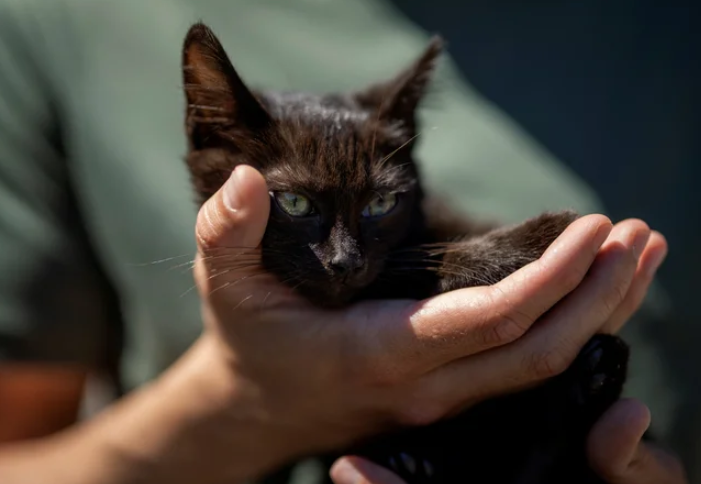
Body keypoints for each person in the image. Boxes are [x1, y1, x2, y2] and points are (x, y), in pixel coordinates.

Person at [0, 1, 687, 483]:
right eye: (294, 205)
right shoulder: (53, 25)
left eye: (379, 206)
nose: (342, 257)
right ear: (208, 140)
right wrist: (243, 399)